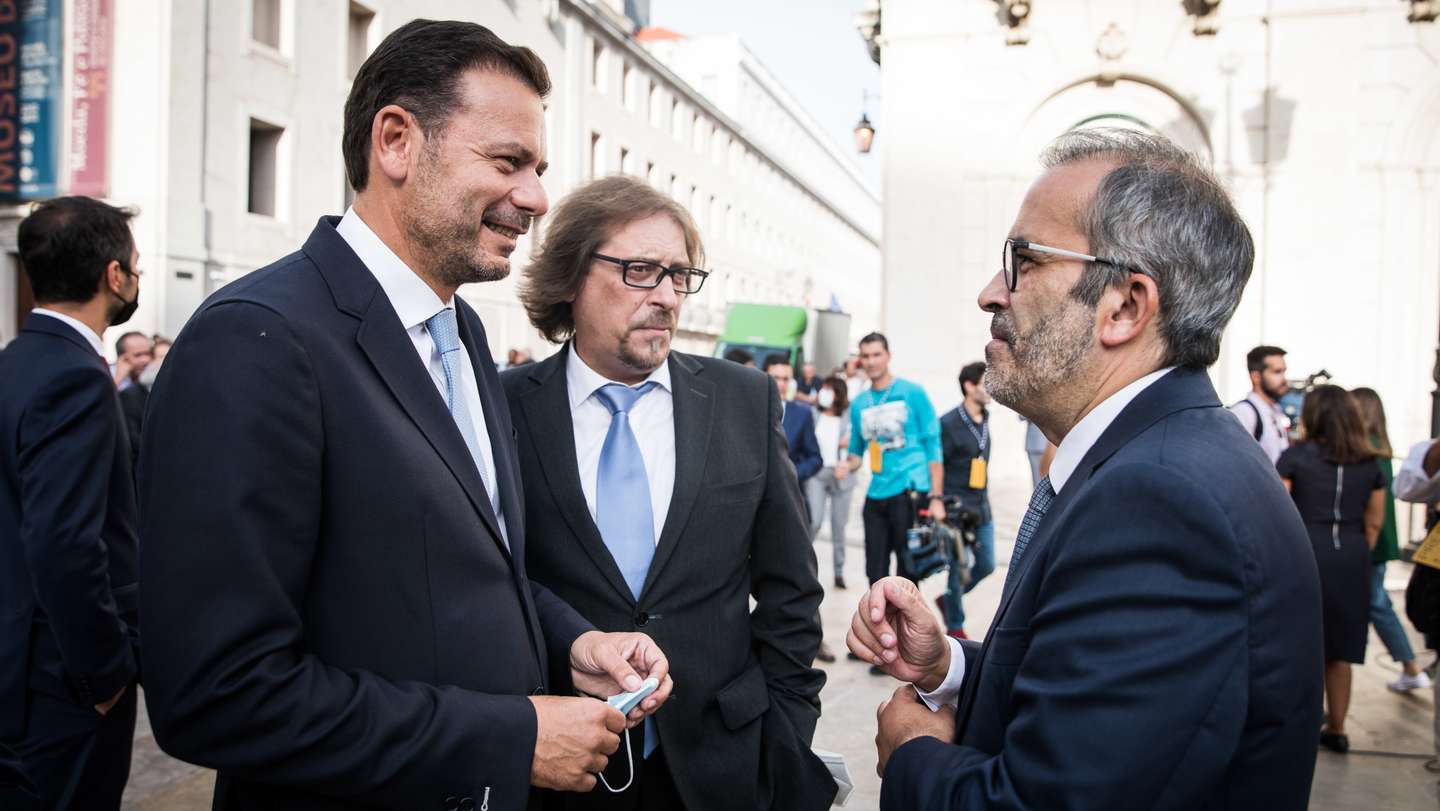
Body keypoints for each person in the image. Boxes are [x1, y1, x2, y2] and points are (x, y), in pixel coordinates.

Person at [138, 21, 671, 810]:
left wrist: (574, 642)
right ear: (395, 141)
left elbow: (472, 569)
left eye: (539, 167)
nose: (537, 196)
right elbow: (216, 693)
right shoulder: (257, 340)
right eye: (507, 161)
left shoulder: (463, 328)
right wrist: (511, 738)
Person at [847, 128, 1322, 809]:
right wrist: (948, 666)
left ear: (1125, 306)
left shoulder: (1158, 498)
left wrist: (914, 753)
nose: (989, 293)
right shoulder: (1154, 460)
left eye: (1024, 261)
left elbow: (1052, 797)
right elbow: (1093, 707)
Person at [502, 175, 833, 811]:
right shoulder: (506, 407)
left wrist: (784, 737)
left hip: (722, 765)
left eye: (678, 275)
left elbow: (792, 589)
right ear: (571, 277)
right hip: (559, 763)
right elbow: (496, 579)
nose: (666, 297)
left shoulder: (743, 399)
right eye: (639, 271)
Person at [0, 196, 143, 809]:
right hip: (59, 683)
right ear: (114, 275)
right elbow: (65, 542)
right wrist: (105, 672)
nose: (137, 279)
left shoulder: (14, 363)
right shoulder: (75, 376)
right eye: (135, 266)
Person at [1275, 385, 1385, 753]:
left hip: (1305, 552)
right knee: (1342, 649)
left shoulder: (1294, 457)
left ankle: (1304, 723)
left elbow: (1278, 509)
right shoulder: (1371, 463)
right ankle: (1338, 728)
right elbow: (1374, 524)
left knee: (1303, 643)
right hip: (1352, 555)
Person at [841, 333, 945, 587]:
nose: (871, 361)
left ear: (888, 356)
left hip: (909, 492)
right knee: (874, 573)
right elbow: (856, 452)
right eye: (865, 356)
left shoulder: (912, 393)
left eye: (877, 354)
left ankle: (904, 627)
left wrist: (936, 497)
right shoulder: (859, 404)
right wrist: (847, 464)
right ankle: (881, 625)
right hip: (876, 495)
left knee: (908, 573)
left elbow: (933, 445)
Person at [1351, 387, 1431, 692]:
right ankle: (1410, 666)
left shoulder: (1363, 450)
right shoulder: (1379, 448)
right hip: (1380, 538)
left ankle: (1411, 666)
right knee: (1377, 602)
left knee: (1377, 603)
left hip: (1371, 539)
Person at [936, 362, 996, 640]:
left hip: (981, 506)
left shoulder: (985, 419)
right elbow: (936, 465)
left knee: (987, 564)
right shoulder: (948, 424)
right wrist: (938, 502)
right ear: (970, 386)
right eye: (986, 382)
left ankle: (949, 601)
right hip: (956, 507)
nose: (990, 388)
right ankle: (955, 625)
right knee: (957, 569)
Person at [805, 377, 856, 591]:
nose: (823, 393)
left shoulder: (849, 416)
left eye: (828, 390)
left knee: (839, 526)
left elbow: (859, 443)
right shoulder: (812, 414)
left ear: (838, 393)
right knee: (813, 521)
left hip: (842, 474)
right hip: (818, 473)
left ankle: (838, 572)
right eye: (822, 389)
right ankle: (801, 564)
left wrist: (849, 441)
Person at [764, 355, 823, 487]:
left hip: (787, 496)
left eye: (786, 379)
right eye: (775, 378)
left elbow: (815, 458)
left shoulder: (802, 414)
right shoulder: (749, 409)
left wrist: (792, 474)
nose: (780, 384)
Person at [1230, 345, 1290, 464]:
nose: (1284, 379)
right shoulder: (1244, 412)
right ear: (1256, 377)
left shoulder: (1275, 410)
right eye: (1277, 372)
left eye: (1284, 371)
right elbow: (1236, 461)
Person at [118, 337, 169, 468]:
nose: (145, 360)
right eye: (138, 355)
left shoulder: (164, 390)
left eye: (148, 354)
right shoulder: (128, 393)